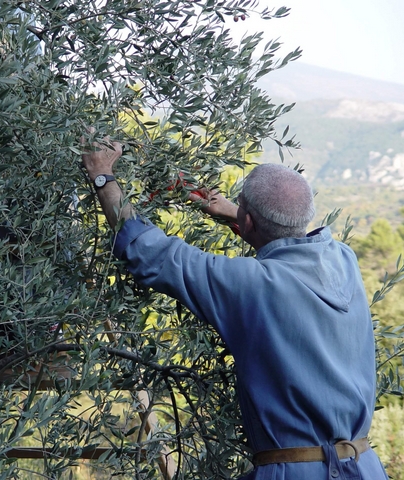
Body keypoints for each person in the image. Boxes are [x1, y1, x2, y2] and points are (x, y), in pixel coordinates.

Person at [80, 135, 389, 480]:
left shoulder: (251, 284)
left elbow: (149, 252)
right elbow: (293, 247)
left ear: (251, 222)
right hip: (365, 468)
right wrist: (235, 212)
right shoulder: (343, 260)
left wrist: (102, 175)